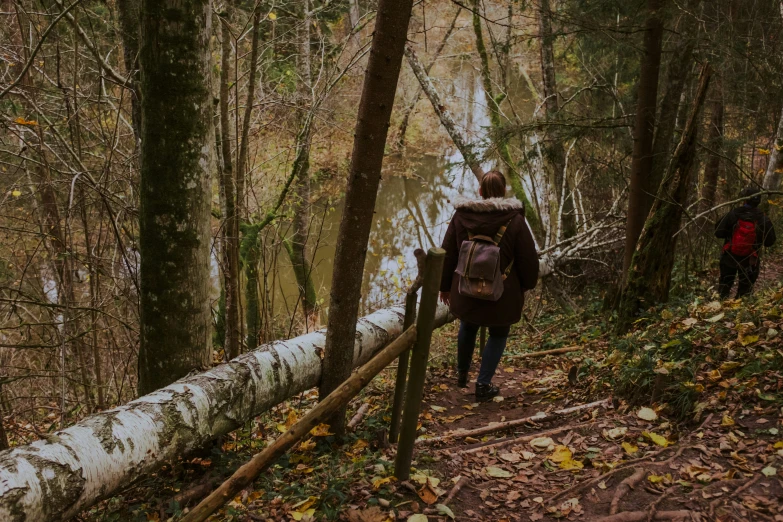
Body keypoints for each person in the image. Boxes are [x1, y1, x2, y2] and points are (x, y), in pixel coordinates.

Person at [439, 171, 539, 401]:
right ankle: (483, 385)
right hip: (502, 293)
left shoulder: (461, 216)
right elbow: (528, 259)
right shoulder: (515, 219)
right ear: (504, 191)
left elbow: (448, 254)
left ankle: (462, 374)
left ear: (480, 191)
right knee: (499, 333)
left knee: (468, 325)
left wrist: (444, 287)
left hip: (466, 290)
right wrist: (526, 285)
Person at [715, 186, 776, 299]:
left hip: (729, 256)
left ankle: (720, 306)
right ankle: (741, 311)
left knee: (725, 285)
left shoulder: (733, 214)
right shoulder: (763, 219)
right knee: (745, 291)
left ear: (744, 199)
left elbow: (718, 232)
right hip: (750, 260)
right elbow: (770, 242)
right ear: (758, 201)